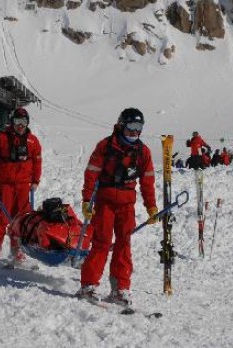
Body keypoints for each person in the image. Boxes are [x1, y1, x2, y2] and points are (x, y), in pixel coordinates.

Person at [77, 108, 158, 306]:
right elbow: (91, 174)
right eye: (131, 127)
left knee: (123, 245)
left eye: (139, 128)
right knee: (102, 243)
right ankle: (88, 285)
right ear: (121, 125)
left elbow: (147, 182)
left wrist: (151, 207)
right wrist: (87, 200)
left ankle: (120, 289)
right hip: (105, 202)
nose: (135, 132)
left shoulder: (143, 152)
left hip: (127, 205)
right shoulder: (105, 146)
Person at [0, 107, 42, 263]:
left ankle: (18, 251)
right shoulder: (1, 138)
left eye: (23, 122)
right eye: (17, 121)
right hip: (5, 185)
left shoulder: (33, 141)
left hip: (23, 186)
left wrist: (35, 181)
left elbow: (37, 162)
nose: (20, 125)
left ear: (27, 123)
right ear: (12, 122)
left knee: (22, 220)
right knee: (1, 217)